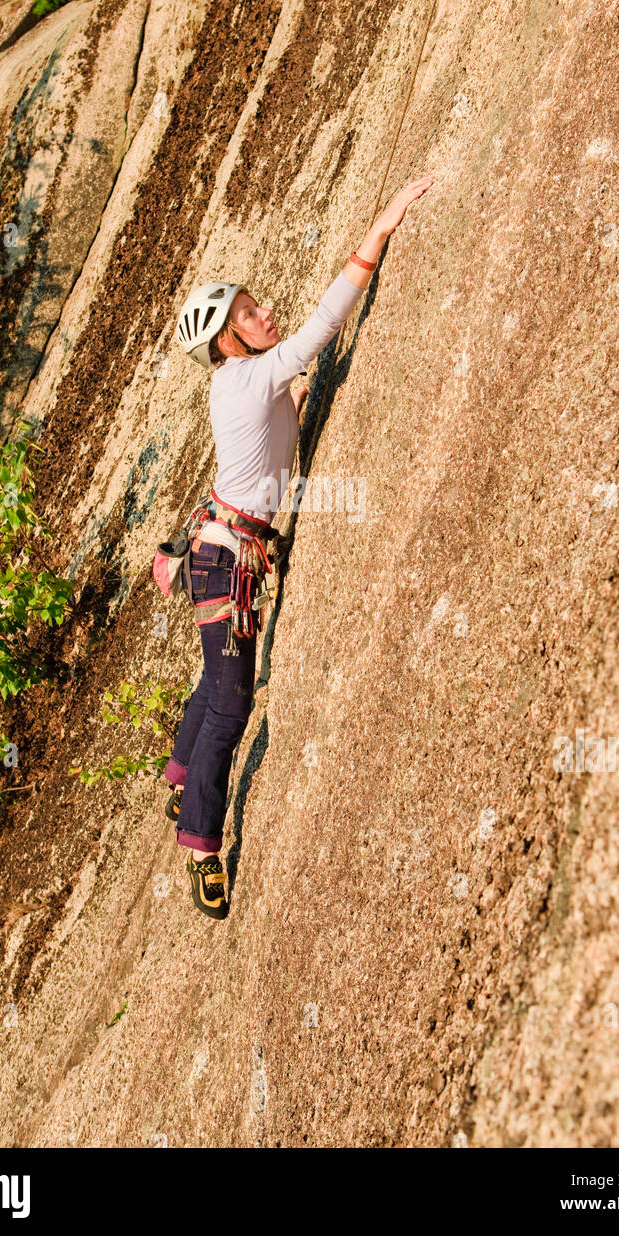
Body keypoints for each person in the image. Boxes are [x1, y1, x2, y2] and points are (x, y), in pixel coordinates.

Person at [168, 175, 434, 918]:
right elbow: (325, 322)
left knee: (211, 684)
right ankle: (200, 842)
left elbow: (277, 422)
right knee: (232, 702)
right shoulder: (254, 377)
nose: (266, 312)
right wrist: (380, 226)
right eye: (251, 312)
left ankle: (179, 777)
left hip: (218, 549)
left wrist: (301, 403)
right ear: (228, 340)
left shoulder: (242, 380)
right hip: (227, 560)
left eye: (257, 304)